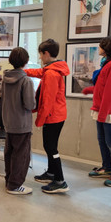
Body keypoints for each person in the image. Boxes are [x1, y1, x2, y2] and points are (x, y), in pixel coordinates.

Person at [24, 39, 70, 194]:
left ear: (46, 53)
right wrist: (23, 71)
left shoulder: (51, 73)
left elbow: (48, 100)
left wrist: (40, 119)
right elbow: (39, 72)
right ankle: (51, 173)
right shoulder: (52, 69)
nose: (40, 58)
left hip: (53, 115)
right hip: (57, 114)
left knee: (51, 148)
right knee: (49, 146)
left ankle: (60, 181)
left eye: (41, 55)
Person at [82, 35, 111, 187]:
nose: (99, 48)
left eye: (101, 45)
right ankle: (107, 168)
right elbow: (103, 87)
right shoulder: (107, 64)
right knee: (102, 141)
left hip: (108, 111)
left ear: (107, 48)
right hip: (102, 109)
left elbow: (110, 92)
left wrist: (103, 113)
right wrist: (89, 90)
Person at [0, 47, 36, 195]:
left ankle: (9, 180)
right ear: (26, 61)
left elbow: (0, 99)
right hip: (22, 124)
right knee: (21, 155)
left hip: (8, 122)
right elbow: (30, 104)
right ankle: (14, 186)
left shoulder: (5, 78)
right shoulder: (26, 80)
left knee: (10, 153)